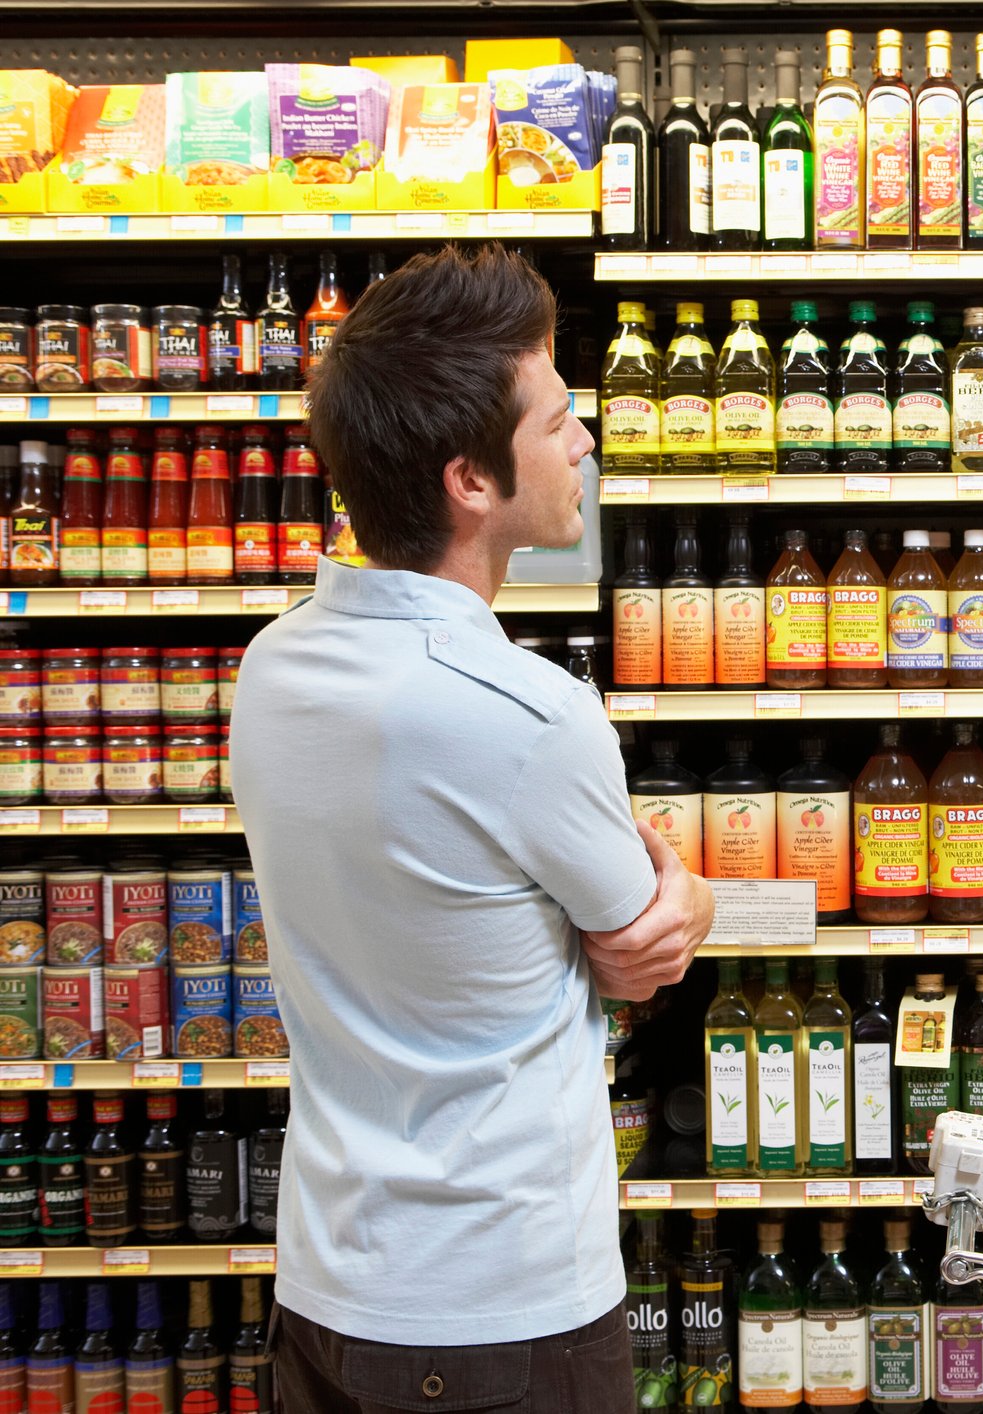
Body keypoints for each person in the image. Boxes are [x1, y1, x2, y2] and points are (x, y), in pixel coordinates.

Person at [229, 244, 713, 1413]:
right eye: (556, 422)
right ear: (470, 481)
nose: (585, 439)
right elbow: (645, 939)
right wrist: (687, 892)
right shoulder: (528, 714)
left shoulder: (272, 666)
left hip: (330, 1285)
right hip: (502, 1311)